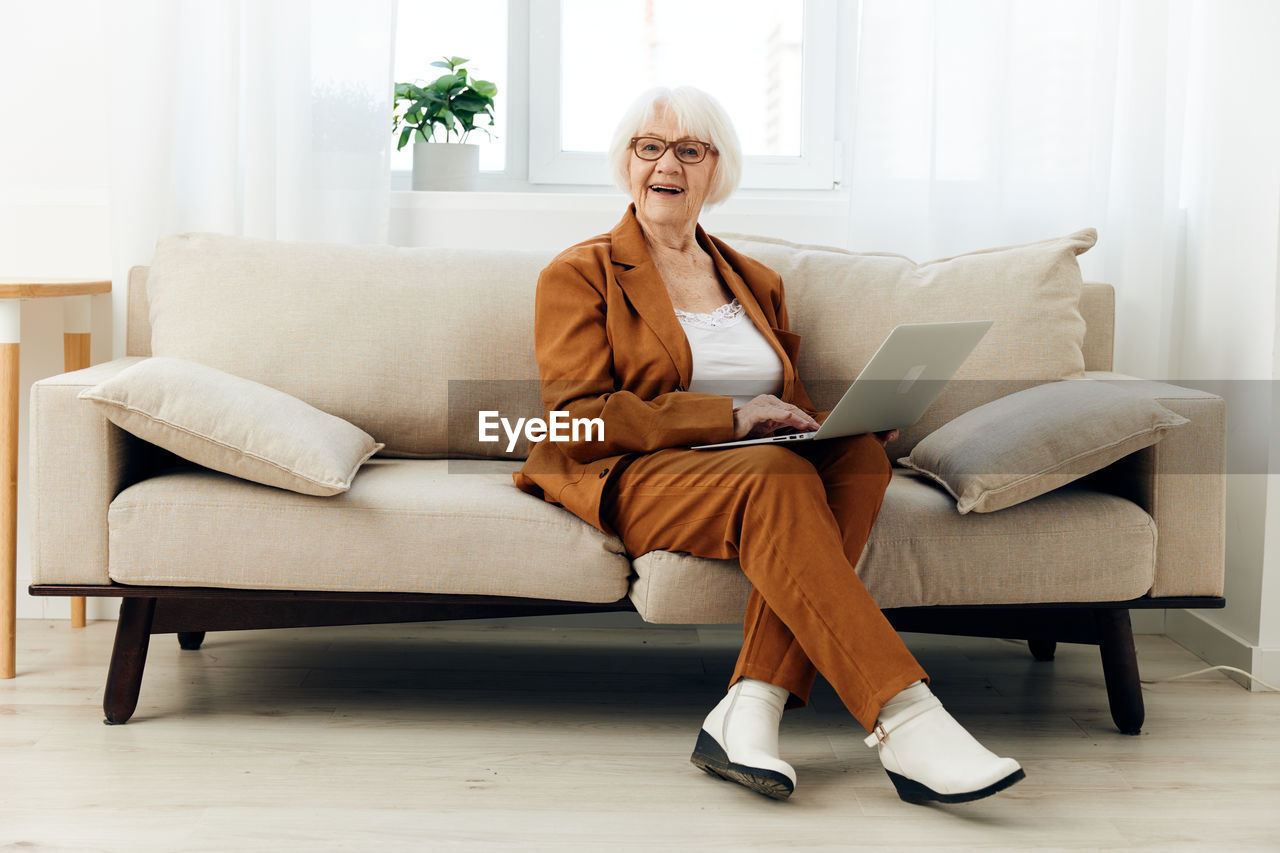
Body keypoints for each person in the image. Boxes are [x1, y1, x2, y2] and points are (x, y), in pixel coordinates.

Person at [513, 86, 1023, 805]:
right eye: (649, 147)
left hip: (747, 462)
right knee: (775, 476)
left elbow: (775, 404)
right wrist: (727, 416)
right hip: (634, 471)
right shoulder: (580, 273)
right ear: (626, 163)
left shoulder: (755, 280)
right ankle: (906, 717)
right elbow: (576, 414)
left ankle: (751, 705)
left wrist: (845, 420)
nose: (668, 164)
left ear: (716, 170)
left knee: (856, 458)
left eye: (690, 150)